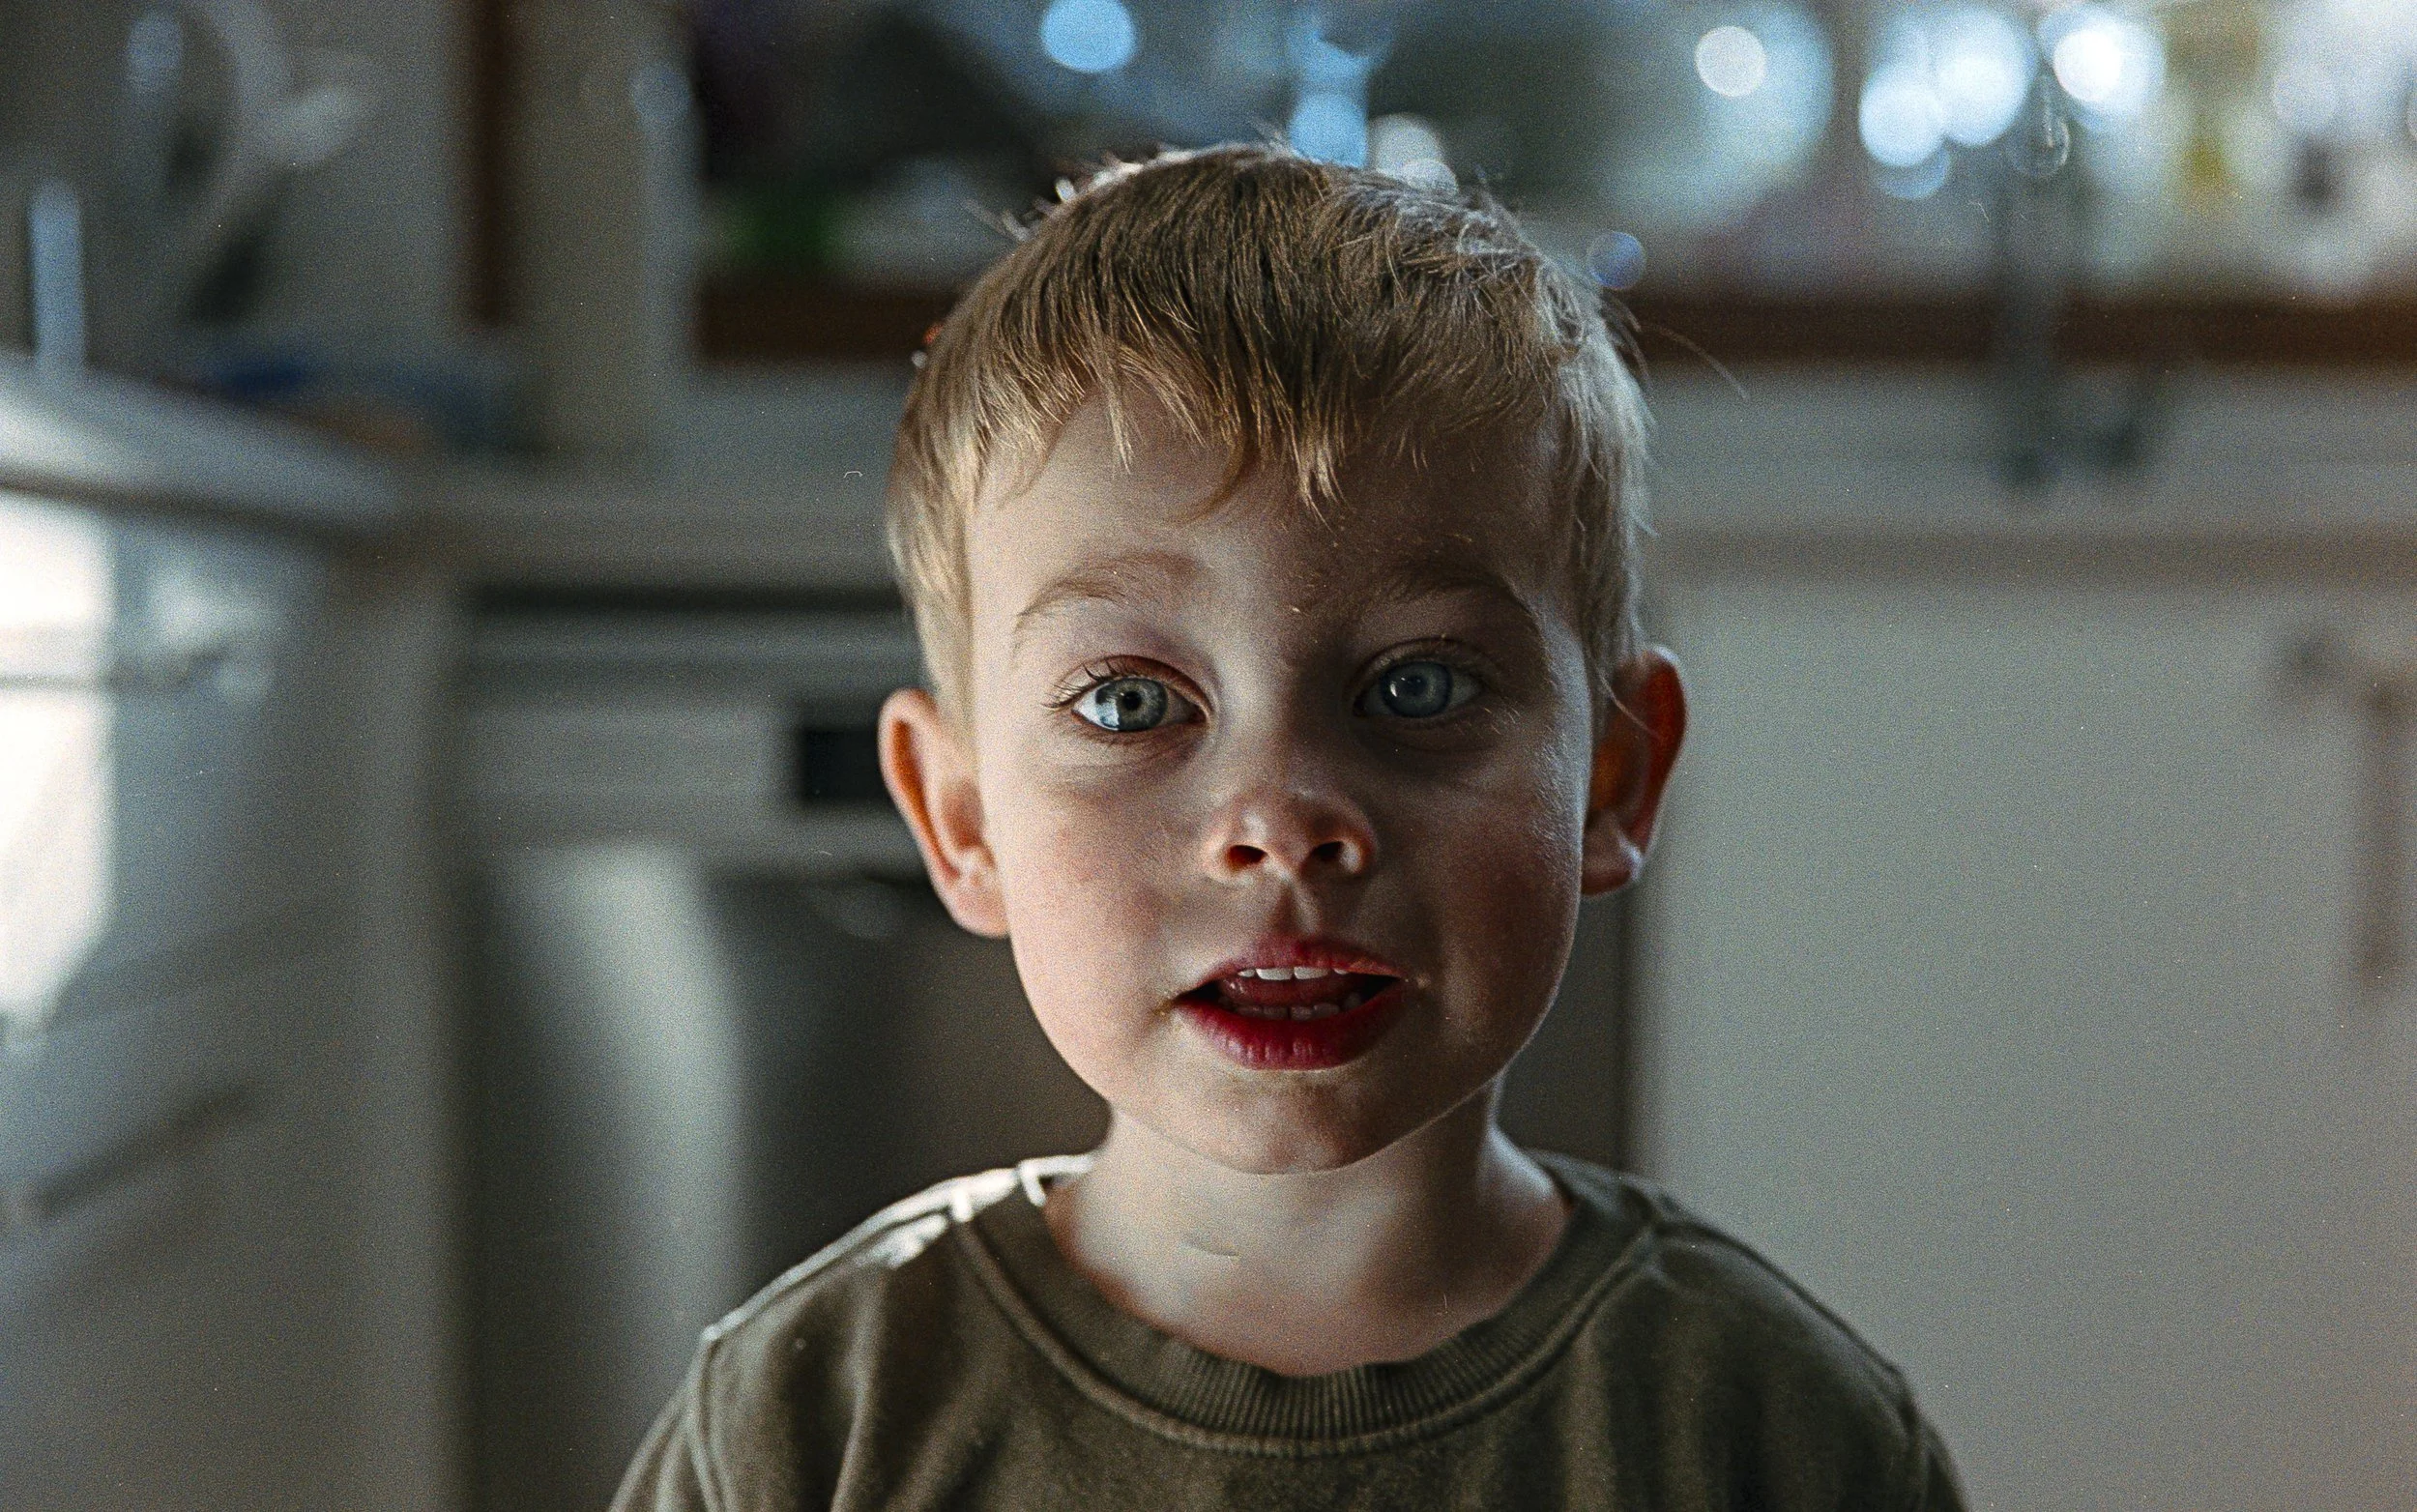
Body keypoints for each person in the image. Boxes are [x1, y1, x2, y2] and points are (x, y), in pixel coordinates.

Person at [610, 143, 1966, 1511]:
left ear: (1613, 777)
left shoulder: (1773, 1434)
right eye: (1134, 702)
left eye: (1417, 687)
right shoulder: (814, 1420)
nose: (1282, 821)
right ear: (960, 818)